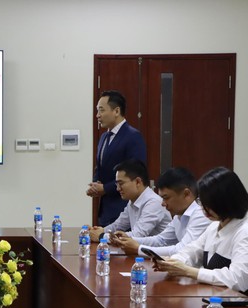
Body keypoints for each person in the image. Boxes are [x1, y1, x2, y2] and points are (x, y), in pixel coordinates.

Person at [153, 167, 248, 293]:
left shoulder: (244, 231)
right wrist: (173, 262)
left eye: (209, 203)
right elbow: (192, 251)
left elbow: (238, 279)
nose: (203, 208)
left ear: (227, 201)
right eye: (202, 202)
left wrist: (188, 271)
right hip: (214, 297)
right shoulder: (214, 226)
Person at [112, 167, 210, 257]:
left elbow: (182, 250)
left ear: (186, 194)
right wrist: (127, 239)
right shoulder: (179, 216)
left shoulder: (200, 215)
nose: (163, 203)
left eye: (166, 198)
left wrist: (139, 249)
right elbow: (161, 240)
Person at [87, 90, 147, 226]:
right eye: (97, 110)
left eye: (101, 110)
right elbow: (100, 166)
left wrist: (105, 188)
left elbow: (135, 174)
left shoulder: (133, 136)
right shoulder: (104, 137)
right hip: (105, 209)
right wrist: (95, 185)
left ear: (116, 111)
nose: (97, 115)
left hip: (123, 207)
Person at [89, 158, 171, 242]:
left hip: (160, 250)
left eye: (121, 183)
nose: (118, 188)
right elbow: (118, 225)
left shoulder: (154, 202)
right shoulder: (133, 201)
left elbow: (137, 235)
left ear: (138, 182)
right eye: (117, 184)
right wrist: (99, 231)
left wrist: (102, 236)